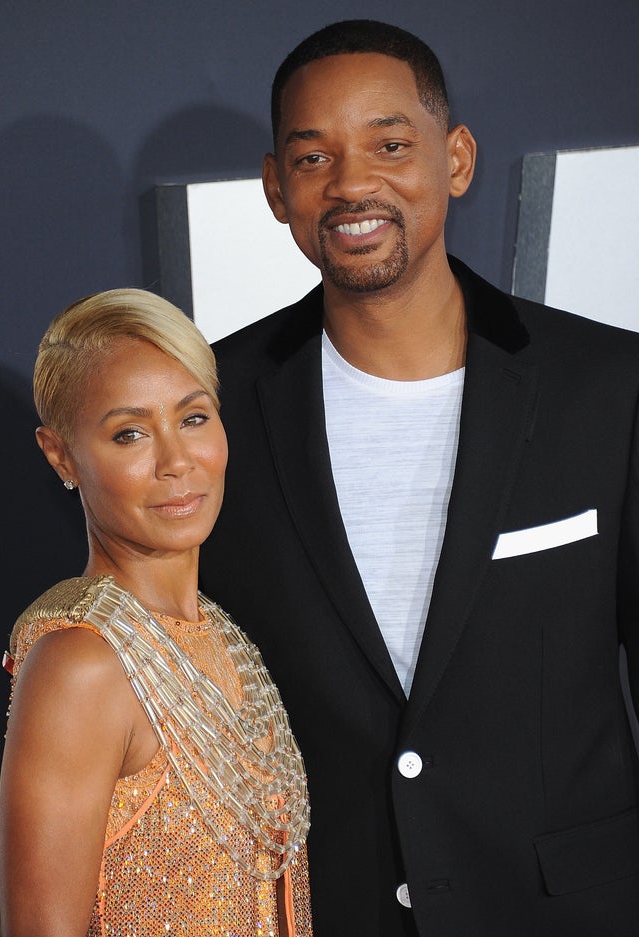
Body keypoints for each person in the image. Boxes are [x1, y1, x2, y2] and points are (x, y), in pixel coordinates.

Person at [196, 18, 639, 937]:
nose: (353, 184)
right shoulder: (211, 408)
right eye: (313, 158)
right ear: (276, 189)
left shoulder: (609, 387)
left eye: (390, 145)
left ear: (458, 158)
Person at [0, 288, 312, 937]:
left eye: (194, 417)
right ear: (61, 456)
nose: (177, 462)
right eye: (130, 432)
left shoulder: (223, 635)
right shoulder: (82, 662)